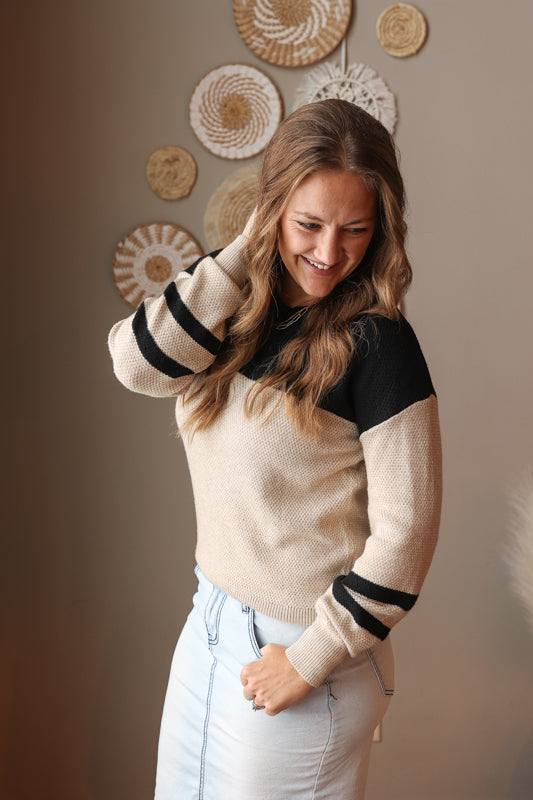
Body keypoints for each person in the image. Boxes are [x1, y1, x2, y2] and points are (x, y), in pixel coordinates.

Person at [108, 99, 442, 800]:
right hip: (210, 622)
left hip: (307, 651)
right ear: (271, 207)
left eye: (355, 230)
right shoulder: (223, 301)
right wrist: (242, 253)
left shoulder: (378, 345)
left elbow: (407, 534)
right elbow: (136, 367)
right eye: (307, 223)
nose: (328, 253)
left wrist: (309, 659)